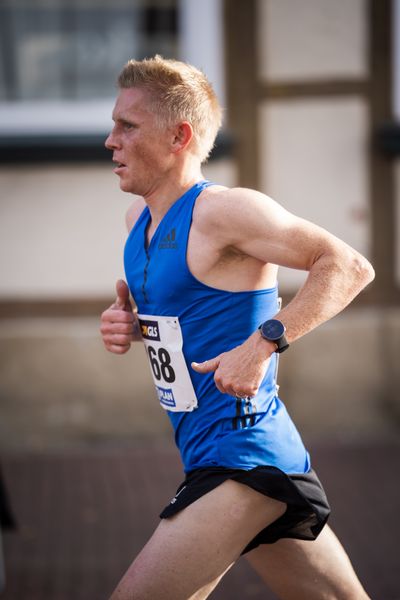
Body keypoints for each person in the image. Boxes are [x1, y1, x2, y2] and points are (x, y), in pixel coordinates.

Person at [100, 55, 374, 600]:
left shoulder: (226, 211)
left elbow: (347, 266)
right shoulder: (138, 222)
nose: (111, 141)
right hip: (211, 451)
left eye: (127, 126)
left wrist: (266, 342)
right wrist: (130, 325)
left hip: (244, 457)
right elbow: (192, 315)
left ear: (179, 135)